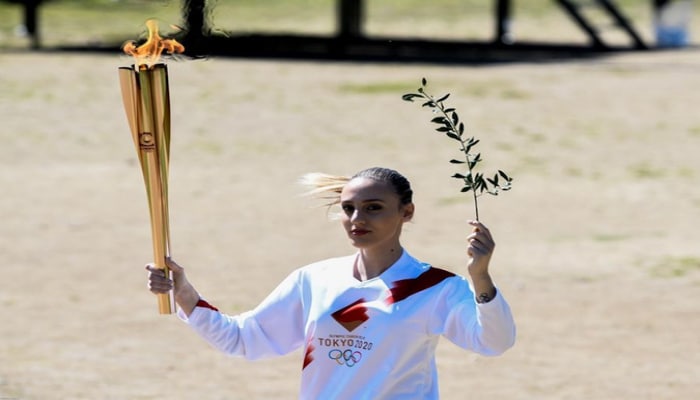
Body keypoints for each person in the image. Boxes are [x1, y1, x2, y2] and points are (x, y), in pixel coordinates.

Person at [147, 166, 516, 399]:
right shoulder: (314, 279)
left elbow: (493, 342)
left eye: (373, 207)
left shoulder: (435, 287)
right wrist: (185, 293)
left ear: (407, 212)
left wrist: (480, 276)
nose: (357, 218)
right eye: (348, 208)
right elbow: (245, 339)